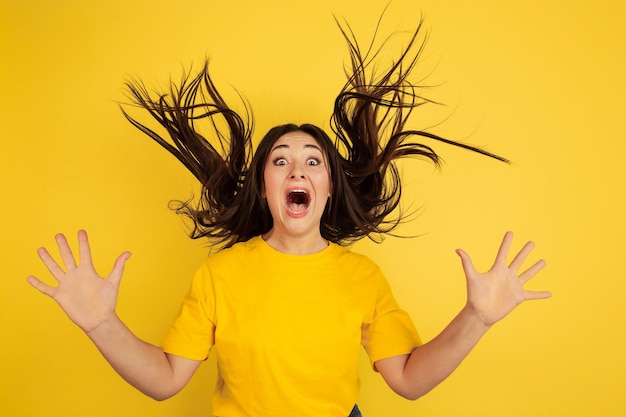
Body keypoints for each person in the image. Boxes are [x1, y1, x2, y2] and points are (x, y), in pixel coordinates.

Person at [27, 16, 551, 417]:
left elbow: (409, 380)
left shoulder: (362, 278)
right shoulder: (221, 274)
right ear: (264, 188)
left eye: (312, 161)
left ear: (326, 189)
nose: (295, 169)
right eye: (280, 161)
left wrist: (477, 318)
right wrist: (100, 324)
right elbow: (165, 380)